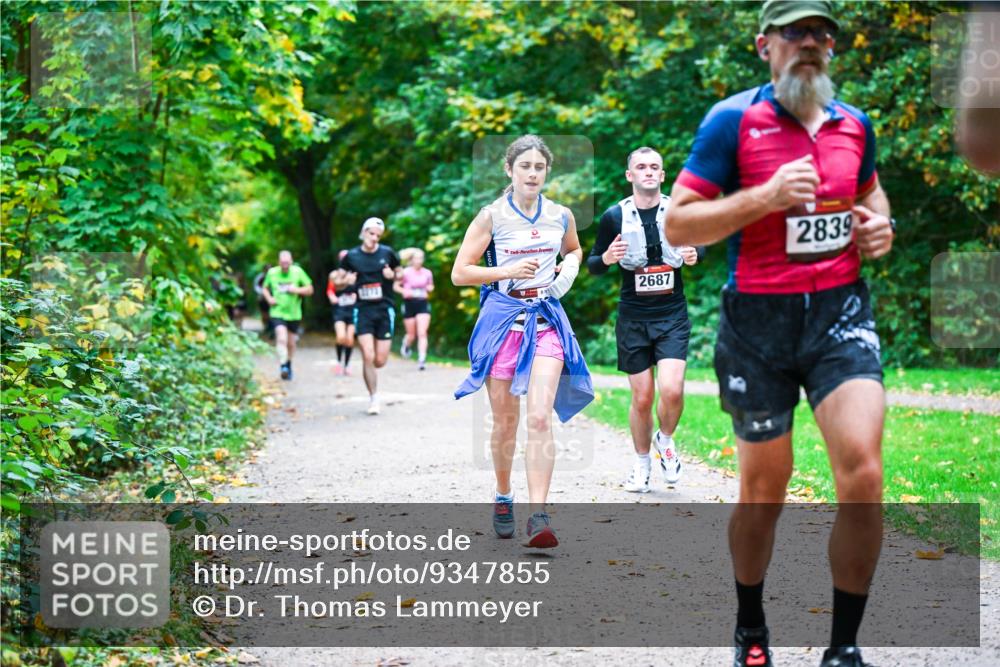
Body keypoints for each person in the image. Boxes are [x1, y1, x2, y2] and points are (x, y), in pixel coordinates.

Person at [665, 2, 894, 666]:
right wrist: (763, 196)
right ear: (766, 45)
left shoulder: (855, 124)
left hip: (839, 315)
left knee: (863, 471)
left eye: (823, 33)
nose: (812, 43)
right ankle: (750, 625)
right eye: (797, 32)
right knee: (764, 491)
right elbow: (678, 223)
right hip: (757, 324)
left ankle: (843, 647)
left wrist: (881, 227)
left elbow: (872, 196)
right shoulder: (733, 120)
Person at [452, 134, 593, 549]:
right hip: (503, 324)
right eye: (525, 166)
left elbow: (575, 250)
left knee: (539, 418)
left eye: (539, 167)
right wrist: (506, 271)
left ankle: (539, 515)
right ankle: (503, 494)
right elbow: (460, 272)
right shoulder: (491, 217)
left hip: (545, 320)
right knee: (506, 423)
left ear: (547, 171)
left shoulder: (561, 215)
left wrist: (568, 269)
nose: (532, 174)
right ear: (509, 170)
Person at [587, 146, 703, 494]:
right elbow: (593, 264)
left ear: (663, 175)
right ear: (630, 175)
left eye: (654, 167)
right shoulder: (614, 216)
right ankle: (641, 464)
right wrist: (607, 257)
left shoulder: (679, 211)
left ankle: (664, 439)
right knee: (641, 398)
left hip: (672, 314)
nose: (648, 171)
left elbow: (700, 245)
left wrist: (695, 253)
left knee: (672, 389)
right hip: (633, 317)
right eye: (641, 167)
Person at [334, 218, 401, 415]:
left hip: (384, 309)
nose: (374, 238)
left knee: (380, 360)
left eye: (378, 235)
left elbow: (401, 273)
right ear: (363, 233)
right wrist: (346, 281)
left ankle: (373, 388)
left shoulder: (387, 253)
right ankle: (373, 398)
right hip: (363, 310)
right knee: (368, 355)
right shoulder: (351, 256)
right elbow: (336, 282)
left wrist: (393, 276)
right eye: (371, 234)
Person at [261, 251, 314, 381]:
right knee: (281, 338)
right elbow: (264, 288)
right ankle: (283, 365)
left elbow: (310, 289)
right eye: (282, 262)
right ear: (279, 262)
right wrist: (269, 299)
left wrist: (296, 290)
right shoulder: (272, 272)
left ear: (291, 261)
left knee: (291, 343)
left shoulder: (298, 272)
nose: (285, 265)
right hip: (277, 311)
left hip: (294, 313)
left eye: (287, 262)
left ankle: (288, 363)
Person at [395, 248, 434, 370]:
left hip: (422, 303)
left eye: (421, 258)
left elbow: (431, 285)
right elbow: (395, 286)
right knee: (411, 335)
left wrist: (429, 288)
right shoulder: (405, 272)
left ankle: (422, 359)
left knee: (422, 333)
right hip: (409, 304)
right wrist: (405, 291)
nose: (419, 261)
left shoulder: (427, 273)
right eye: (417, 258)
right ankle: (406, 345)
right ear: (411, 260)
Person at [328, 249, 357, 376]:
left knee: (350, 339)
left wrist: (357, 296)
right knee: (341, 337)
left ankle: (347, 365)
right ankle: (339, 362)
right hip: (339, 309)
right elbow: (330, 289)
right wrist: (332, 297)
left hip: (353, 309)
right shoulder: (334, 275)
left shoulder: (356, 274)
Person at [252, 264, 272, 336]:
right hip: (262, 298)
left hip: (272, 298)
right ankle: (266, 326)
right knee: (264, 313)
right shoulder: (260, 277)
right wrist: (263, 292)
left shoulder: (274, 276)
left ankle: (271, 327)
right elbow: (256, 286)